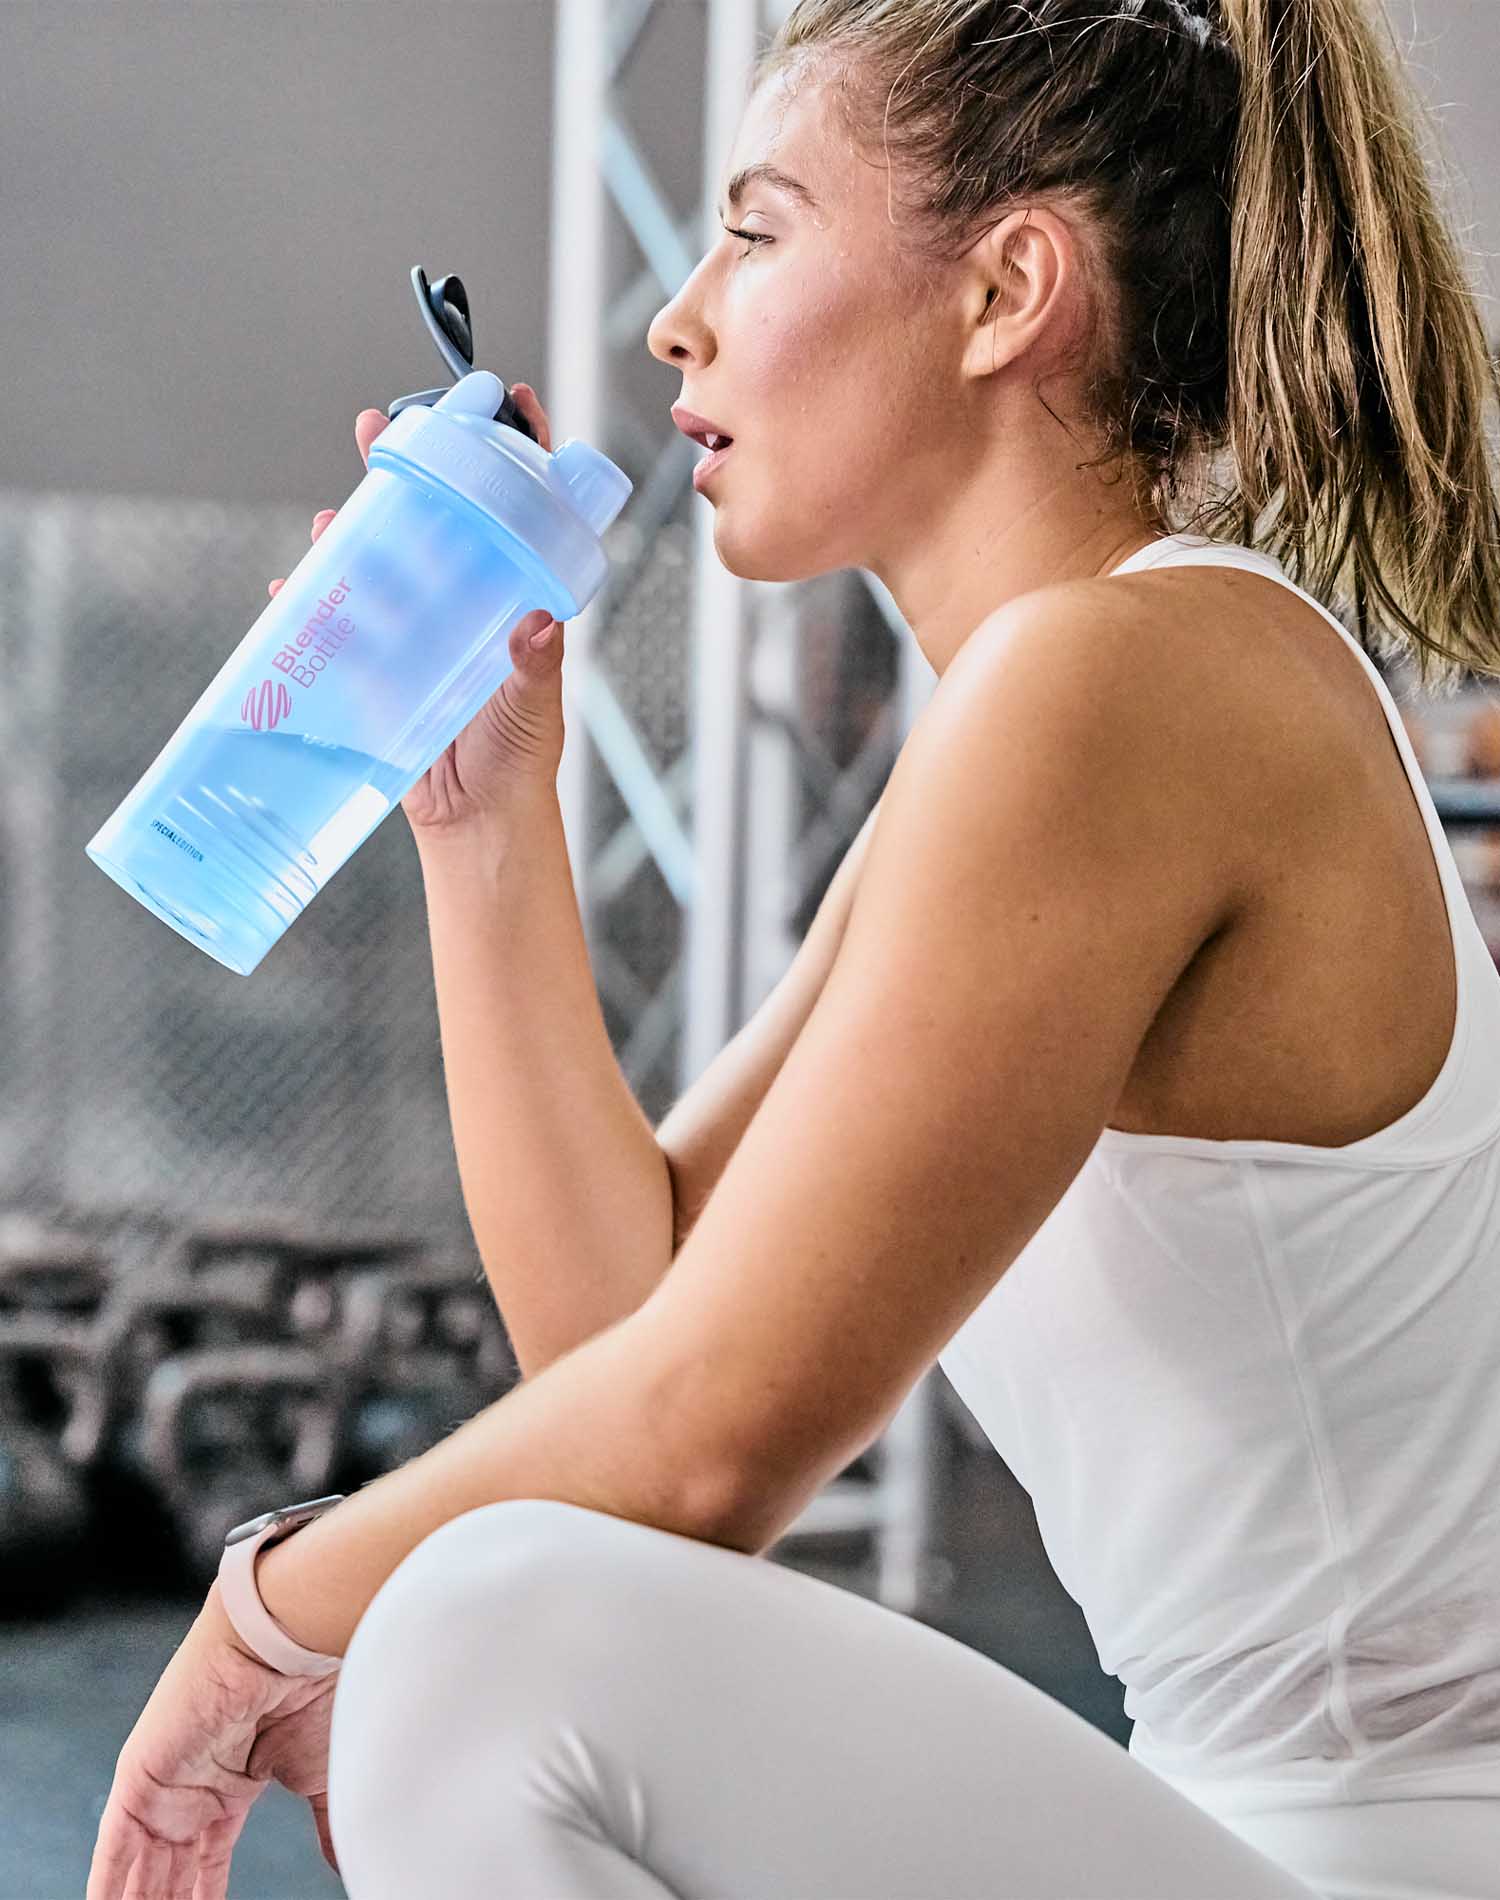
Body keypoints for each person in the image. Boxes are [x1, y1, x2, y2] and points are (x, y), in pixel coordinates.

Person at [89, 2, 1500, 1897]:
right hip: (1235, 1820)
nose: (679, 317)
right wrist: (484, 823)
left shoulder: (1131, 680)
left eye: (755, 229)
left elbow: (704, 1450)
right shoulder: (1036, 712)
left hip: (1398, 1852)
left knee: (482, 1638)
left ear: (1007, 290)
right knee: (490, 1604)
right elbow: (633, 1339)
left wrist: (268, 1607)